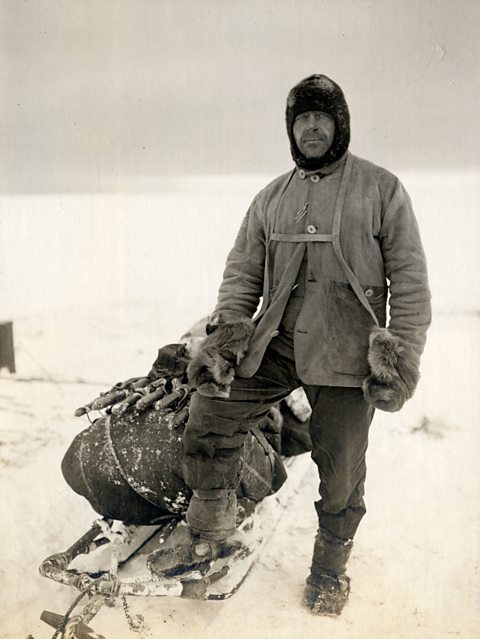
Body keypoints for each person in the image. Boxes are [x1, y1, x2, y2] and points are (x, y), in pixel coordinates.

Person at [150, 74, 432, 615]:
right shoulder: (272, 197)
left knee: (342, 466)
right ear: (290, 129)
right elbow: (241, 274)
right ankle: (210, 531)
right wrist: (228, 339)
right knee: (210, 411)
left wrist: (401, 355)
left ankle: (330, 568)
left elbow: (411, 281)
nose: (310, 127)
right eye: (300, 119)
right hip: (277, 344)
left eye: (320, 118)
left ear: (339, 124)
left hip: (347, 353)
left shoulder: (382, 188)